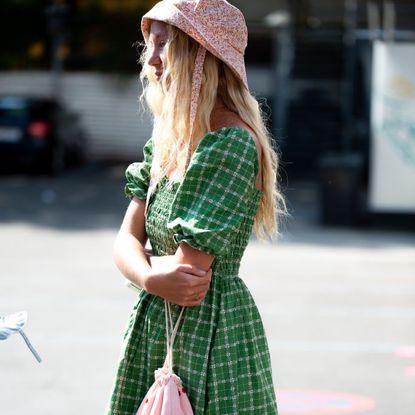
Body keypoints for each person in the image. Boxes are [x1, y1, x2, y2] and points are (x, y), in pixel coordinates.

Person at [107, 0, 286, 413]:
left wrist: (145, 264)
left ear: (203, 56)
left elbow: (189, 275)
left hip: (209, 333)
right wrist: (154, 276)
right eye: (149, 45)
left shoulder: (230, 143)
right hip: (157, 325)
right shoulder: (170, 141)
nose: (150, 59)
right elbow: (122, 243)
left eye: (163, 45)